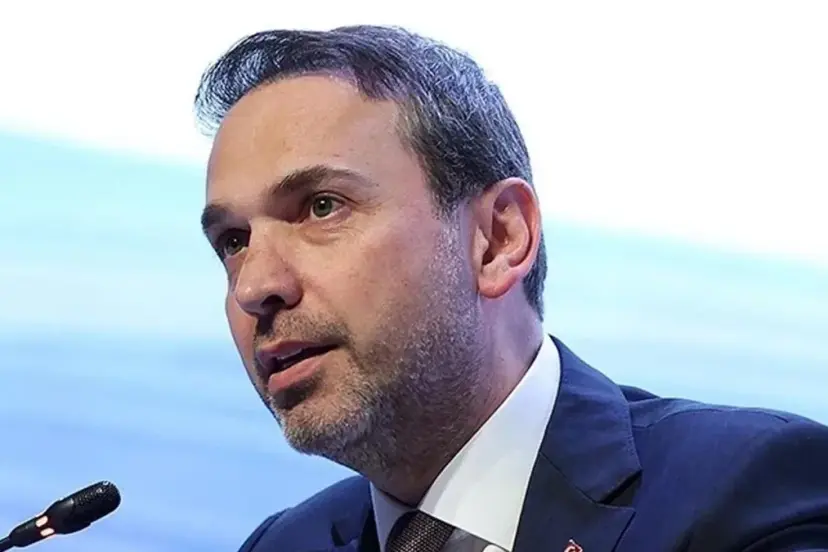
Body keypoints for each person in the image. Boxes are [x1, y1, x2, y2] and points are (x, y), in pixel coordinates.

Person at [194, 25, 828, 552]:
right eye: (233, 240)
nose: (255, 286)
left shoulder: (749, 497)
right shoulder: (283, 543)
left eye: (322, 207)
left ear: (499, 240)